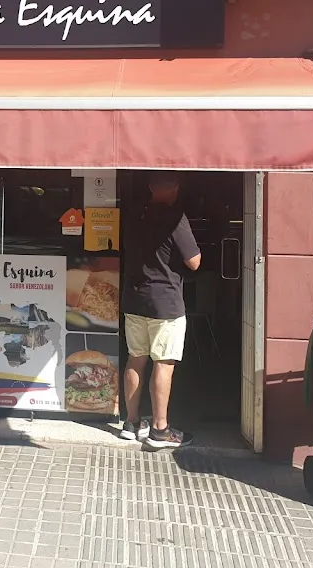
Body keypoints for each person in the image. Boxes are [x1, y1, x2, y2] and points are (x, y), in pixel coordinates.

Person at [120, 171, 201, 449]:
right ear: (177, 187)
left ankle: (131, 424)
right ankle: (160, 430)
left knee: (135, 359)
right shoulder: (176, 218)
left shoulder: (134, 214)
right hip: (165, 302)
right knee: (163, 363)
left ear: (151, 187)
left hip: (134, 298)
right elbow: (194, 262)